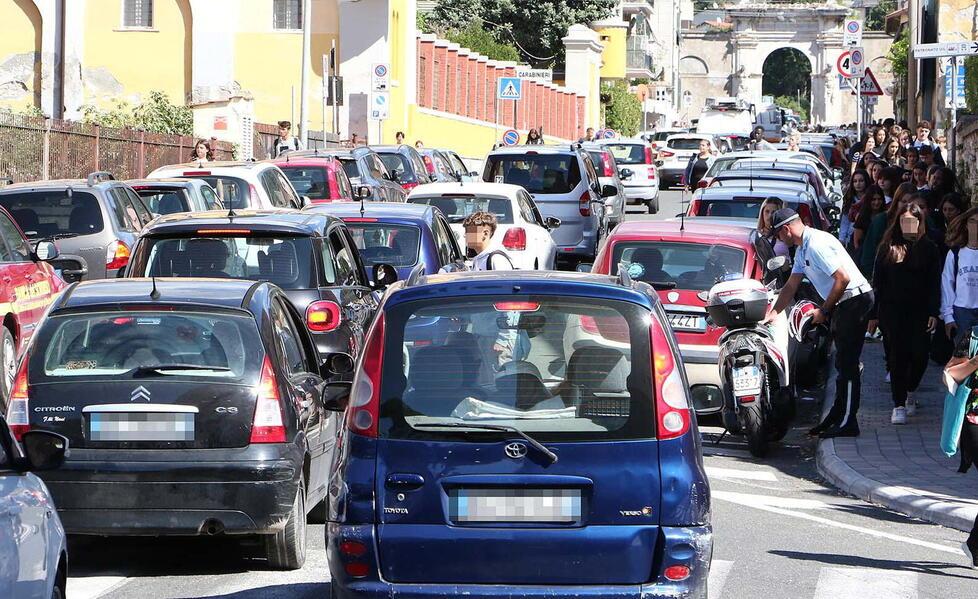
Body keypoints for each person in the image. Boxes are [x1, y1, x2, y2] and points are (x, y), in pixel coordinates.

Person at [765, 208, 874, 438]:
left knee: (848, 364)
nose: (779, 240)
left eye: (778, 235)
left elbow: (842, 278)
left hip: (854, 300)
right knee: (841, 364)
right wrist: (773, 313)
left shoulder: (816, 244)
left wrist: (824, 310)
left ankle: (848, 421)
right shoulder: (802, 248)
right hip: (844, 303)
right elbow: (791, 285)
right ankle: (837, 414)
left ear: (786, 229)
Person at [869, 203, 941, 424]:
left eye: (911, 221)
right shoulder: (888, 247)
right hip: (892, 310)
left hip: (920, 311)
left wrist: (934, 311)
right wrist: (873, 314)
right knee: (897, 356)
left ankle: (910, 389)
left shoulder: (929, 249)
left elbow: (934, 282)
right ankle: (898, 403)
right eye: (903, 221)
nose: (907, 225)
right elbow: (878, 282)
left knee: (920, 355)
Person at [940, 332, 978, 567]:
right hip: (974, 421)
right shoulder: (973, 338)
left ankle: (974, 544)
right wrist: (974, 363)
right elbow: (948, 377)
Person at [941, 206, 978, 344]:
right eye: (972, 221)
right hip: (962, 311)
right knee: (963, 353)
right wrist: (948, 316)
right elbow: (947, 285)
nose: (976, 226)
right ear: (966, 225)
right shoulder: (955, 254)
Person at [852, 184, 886, 253]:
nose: (877, 202)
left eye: (879, 199)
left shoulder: (886, 215)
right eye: (873, 199)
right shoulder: (862, 217)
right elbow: (857, 242)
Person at [841, 169, 871, 247]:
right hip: (850, 238)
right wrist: (842, 239)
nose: (858, 184)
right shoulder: (849, 199)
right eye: (855, 181)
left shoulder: (871, 199)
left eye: (861, 181)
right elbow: (845, 221)